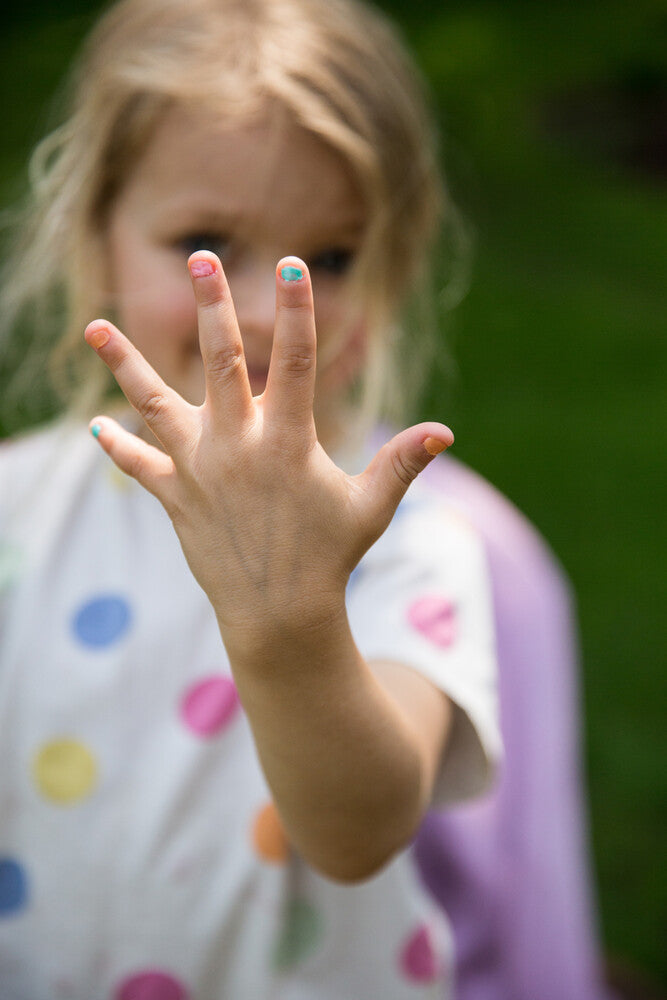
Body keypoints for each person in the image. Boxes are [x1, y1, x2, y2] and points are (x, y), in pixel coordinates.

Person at [0, 0, 610, 997]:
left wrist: (288, 615)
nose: (256, 309)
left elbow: (359, 830)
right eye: (205, 240)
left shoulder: (415, 540)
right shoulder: (16, 514)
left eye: (328, 259)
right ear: (96, 234)